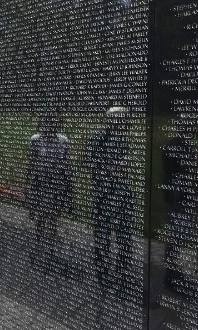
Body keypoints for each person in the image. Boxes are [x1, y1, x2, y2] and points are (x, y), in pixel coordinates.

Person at [83, 106, 135, 293]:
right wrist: (110, 168)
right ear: (111, 120)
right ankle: (102, 271)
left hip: (121, 193)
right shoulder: (97, 137)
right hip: (103, 194)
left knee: (124, 235)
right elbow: (87, 162)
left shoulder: (122, 139)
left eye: (126, 120)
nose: (125, 123)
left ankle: (122, 271)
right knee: (102, 236)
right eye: (122, 119)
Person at [26, 112, 72, 272]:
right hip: (40, 183)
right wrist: (28, 186)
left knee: (52, 218)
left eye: (52, 122)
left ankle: (50, 248)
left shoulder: (63, 140)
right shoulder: (35, 140)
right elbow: (31, 163)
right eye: (46, 122)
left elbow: (66, 164)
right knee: (40, 216)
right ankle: (38, 243)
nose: (49, 125)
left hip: (55, 183)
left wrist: (69, 188)